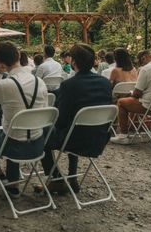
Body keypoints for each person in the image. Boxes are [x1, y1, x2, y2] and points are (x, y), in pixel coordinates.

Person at [0, 41, 48, 198]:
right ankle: (12, 185)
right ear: (19, 55)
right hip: (38, 144)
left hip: (13, 147)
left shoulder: (5, 85)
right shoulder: (40, 82)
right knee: (11, 130)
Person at [38, 43, 112, 194]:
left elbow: (61, 120)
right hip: (99, 139)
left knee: (41, 133)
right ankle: (72, 178)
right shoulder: (105, 82)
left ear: (73, 62)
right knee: (75, 127)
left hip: (75, 140)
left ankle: (56, 179)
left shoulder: (68, 85)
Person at [110, 49, 151, 145]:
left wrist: (132, 94)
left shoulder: (146, 68)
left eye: (140, 62)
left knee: (121, 102)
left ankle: (123, 136)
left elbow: (137, 93)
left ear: (144, 58)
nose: (141, 65)